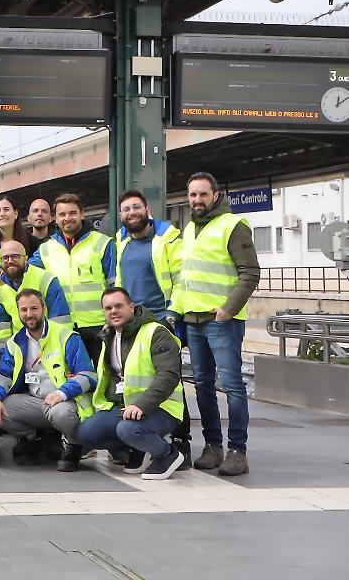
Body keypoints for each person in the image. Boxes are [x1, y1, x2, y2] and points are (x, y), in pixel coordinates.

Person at [172, 172, 260, 476]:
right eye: (193, 195)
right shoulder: (189, 229)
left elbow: (250, 273)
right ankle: (213, 446)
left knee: (233, 386)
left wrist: (227, 309)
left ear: (216, 195)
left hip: (222, 321)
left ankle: (238, 450)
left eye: (203, 194)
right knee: (203, 386)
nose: (197, 200)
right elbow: (187, 277)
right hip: (194, 321)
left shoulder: (233, 226)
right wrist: (178, 311)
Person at [114, 189, 191, 467]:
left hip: (159, 321)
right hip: (131, 323)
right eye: (125, 209)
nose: (131, 213)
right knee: (133, 380)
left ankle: (182, 444)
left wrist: (171, 314)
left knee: (171, 382)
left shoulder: (167, 239)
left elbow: (181, 280)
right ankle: (139, 440)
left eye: (136, 207)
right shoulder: (121, 241)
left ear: (147, 209)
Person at [76, 288, 186, 481]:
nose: (113, 311)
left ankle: (168, 454)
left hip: (161, 407)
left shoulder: (156, 332)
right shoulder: (109, 335)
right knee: (86, 434)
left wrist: (141, 405)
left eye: (119, 306)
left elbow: (168, 375)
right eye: (108, 308)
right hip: (124, 406)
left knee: (128, 429)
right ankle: (139, 448)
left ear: (132, 307)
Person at [0, 289, 95, 472]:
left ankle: (73, 444)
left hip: (64, 401)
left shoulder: (66, 336)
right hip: (33, 401)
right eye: (24, 310)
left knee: (63, 415)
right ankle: (35, 438)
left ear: (44, 308)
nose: (29, 314)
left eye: (34, 308)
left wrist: (63, 392)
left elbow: (89, 375)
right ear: (18, 312)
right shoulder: (15, 342)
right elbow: (3, 375)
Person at [28, 193, 115, 362]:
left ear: (82, 214)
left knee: (105, 377)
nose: (67, 218)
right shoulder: (46, 249)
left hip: (99, 326)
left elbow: (116, 284)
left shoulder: (103, 243)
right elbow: (25, 269)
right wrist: (0, 268)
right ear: (55, 218)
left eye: (72, 213)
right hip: (64, 326)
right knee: (73, 379)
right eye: (62, 214)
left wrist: (112, 320)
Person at [0, 240, 70, 348]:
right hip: (18, 347)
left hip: (50, 344)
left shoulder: (46, 279)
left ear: (26, 259)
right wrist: (8, 355)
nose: (10, 261)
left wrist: (59, 348)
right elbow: (0, 329)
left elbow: (60, 319)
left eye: (15, 256)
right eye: (5, 257)